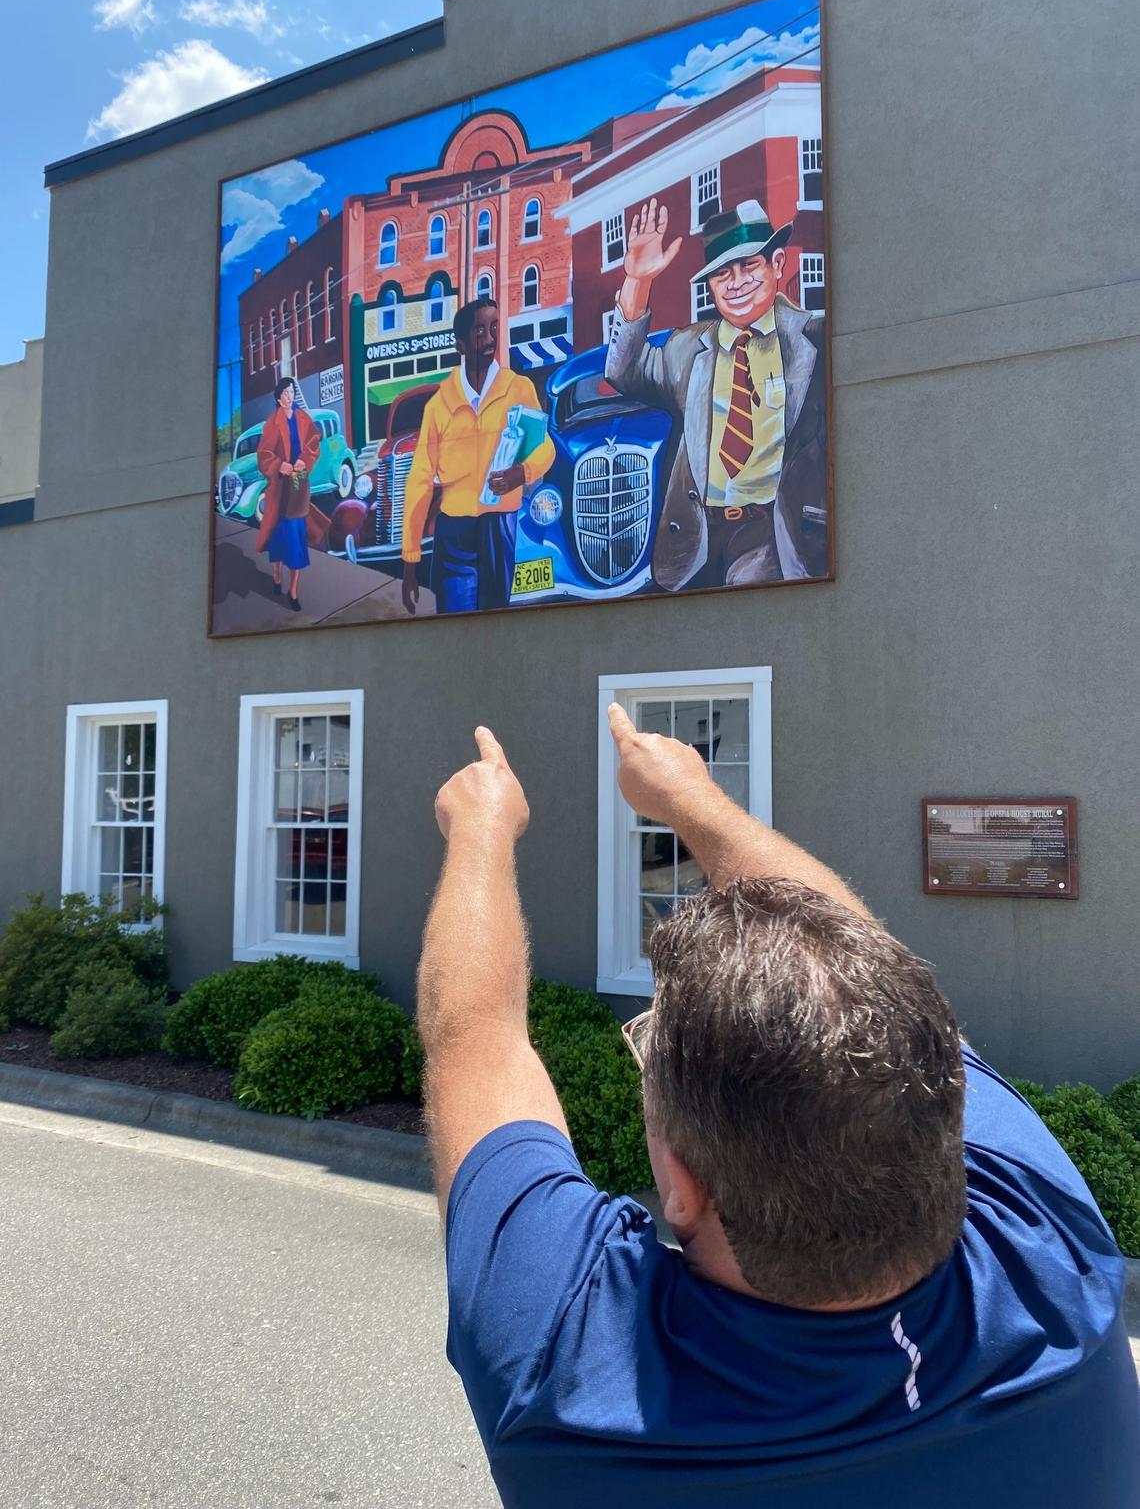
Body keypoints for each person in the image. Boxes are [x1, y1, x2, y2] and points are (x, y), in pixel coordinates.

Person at [416, 712, 1140, 1509]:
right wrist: (695, 797)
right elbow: (863, 979)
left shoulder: (564, 1371)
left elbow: (475, 1035)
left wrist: (481, 829)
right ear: (944, 1116)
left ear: (683, 1187)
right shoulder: (1058, 1254)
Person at [606, 198, 827, 591]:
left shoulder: (815, 340)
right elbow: (624, 369)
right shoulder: (688, 349)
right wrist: (638, 281)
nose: (736, 282)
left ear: (777, 264)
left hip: (776, 535)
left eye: (749, 265)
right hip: (696, 542)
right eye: (722, 273)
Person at [401, 299, 555, 616]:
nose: (489, 339)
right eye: (479, 330)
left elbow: (545, 447)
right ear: (460, 343)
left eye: (494, 327)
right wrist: (410, 561)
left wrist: (522, 473)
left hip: (500, 527)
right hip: (454, 533)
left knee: (495, 622)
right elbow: (419, 481)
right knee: (456, 624)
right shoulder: (439, 405)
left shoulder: (518, 388)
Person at [255, 376, 327, 613]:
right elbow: (263, 454)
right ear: (278, 398)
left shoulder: (303, 418)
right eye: (285, 393)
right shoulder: (272, 423)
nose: (290, 396)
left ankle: (293, 590)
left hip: (297, 487)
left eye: (292, 392)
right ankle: (277, 573)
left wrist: (302, 461)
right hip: (279, 489)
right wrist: (279, 465)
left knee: (296, 540)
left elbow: (314, 443)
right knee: (277, 538)